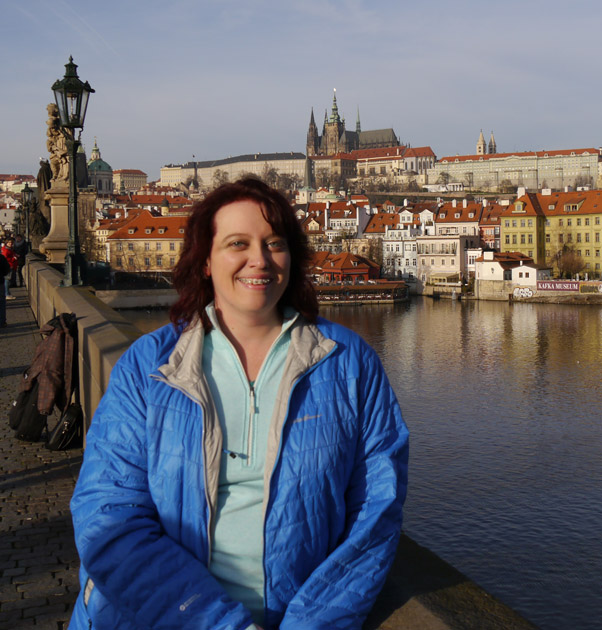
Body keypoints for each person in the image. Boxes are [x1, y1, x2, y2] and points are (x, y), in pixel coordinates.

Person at [69, 177, 409, 630]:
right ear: (205, 261)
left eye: (274, 243)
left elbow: (377, 513)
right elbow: (107, 515)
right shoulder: (148, 368)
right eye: (237, 243)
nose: (260, 260)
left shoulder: (349, 363)